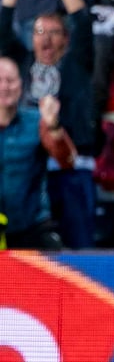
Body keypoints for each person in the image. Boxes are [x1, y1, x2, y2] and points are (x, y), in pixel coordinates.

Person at [0, 0, 97, 249]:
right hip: (30, 167)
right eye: (39, 32)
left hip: (69, 168)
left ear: (65, 40)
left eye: (54, 32)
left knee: (78, 251)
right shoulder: (23, 64)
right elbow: (3, 30)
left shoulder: (75, 63)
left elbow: (82, 21)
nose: (46, 38)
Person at [0, 56, 74, 250]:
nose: (5, 86)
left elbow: (67, 160)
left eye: (10, 80)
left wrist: (54, 125)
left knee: (61, 266)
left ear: (21, 85)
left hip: (32, 226)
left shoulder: (37, 121)